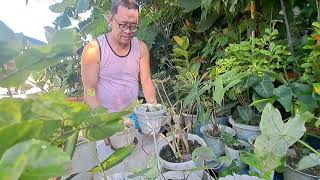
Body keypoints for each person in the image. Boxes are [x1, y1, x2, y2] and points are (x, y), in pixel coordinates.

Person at [81, 0, 157, 114]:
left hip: (132, 117)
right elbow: (90, 91)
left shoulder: (141, 48)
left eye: (133, 26)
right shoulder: (94, 49)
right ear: (111, 19)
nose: (128, 31)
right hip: (103, 120)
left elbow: (146, 82)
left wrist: (154, 109)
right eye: (123, 25)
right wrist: (105, 118)